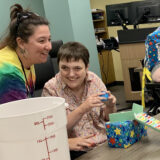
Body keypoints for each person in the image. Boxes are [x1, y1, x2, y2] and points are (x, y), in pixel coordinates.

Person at [42, 41, 117, 159]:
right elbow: (53, 131)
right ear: (58, 66)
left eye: (77, 68)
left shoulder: (94, 80)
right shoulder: (51, 89)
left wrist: (110, 106)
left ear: (86, 67)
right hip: (78, 150)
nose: (71, 74)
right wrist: (82, 109)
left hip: (106, 141)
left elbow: (108, 118)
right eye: (65, 68)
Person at [0, 3, 52, 104]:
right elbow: (16, 116)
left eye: (49, 39)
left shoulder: (27, 59)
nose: (49, 46)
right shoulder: (8, 72)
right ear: (21, 42)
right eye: (41, 41)